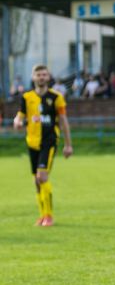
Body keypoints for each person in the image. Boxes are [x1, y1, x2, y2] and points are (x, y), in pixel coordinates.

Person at [13, 64, 73, 227]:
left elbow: (63, 121)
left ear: (48, 77)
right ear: (33, 77)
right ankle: (41, 215)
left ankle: (49, 216)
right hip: (32, 142)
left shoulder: (56, 97)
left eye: (44, 75)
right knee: (36, 181)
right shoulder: (26, 97)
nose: (41, 77)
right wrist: (17, 122)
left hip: (49, 141)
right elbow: (20, 115)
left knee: (42, 177)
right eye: (38, 75)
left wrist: (68, 145)